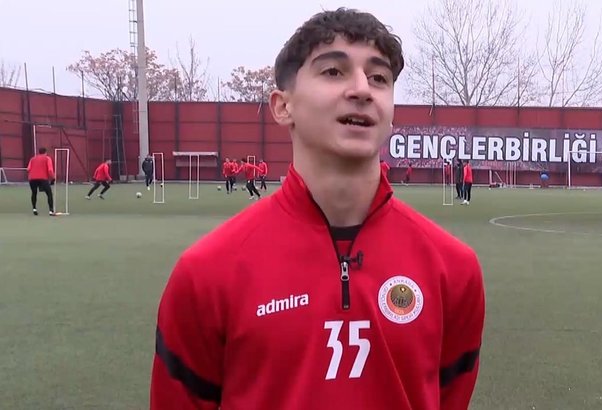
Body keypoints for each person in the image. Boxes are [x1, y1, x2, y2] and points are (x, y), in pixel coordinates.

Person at [150, 8, 485, 410]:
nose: (362, 89)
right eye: (333, 72)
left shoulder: (454, 269)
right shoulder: (206, 273)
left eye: (379, 78)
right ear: (282, 107)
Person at [26, 147, 55, 216]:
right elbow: (50, 170)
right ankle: (51, 210)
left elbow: (28, 169)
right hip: (43, 178)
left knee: (34, 193)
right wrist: (53, 178)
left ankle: (34, 209)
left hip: (32, 178)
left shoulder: (32, 159)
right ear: (45, 152)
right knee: (49, 193)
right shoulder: (47, 158)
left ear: (39, 152)